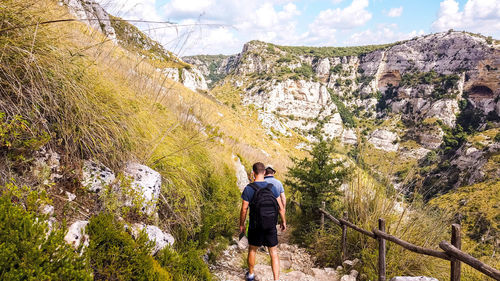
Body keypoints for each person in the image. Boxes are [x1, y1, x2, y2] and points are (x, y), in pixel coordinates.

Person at [239, 162, 286, 281]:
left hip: (256, 225)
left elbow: (244, 209)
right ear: (264, 172)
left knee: (253, 249)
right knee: (273, 252)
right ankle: (276, 279)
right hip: (270, 225)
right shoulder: (272, 188)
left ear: (253, 173)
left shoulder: (249, 189)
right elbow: (280, 207)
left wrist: (242, 224)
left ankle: (250, 275)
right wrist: (283, 221)